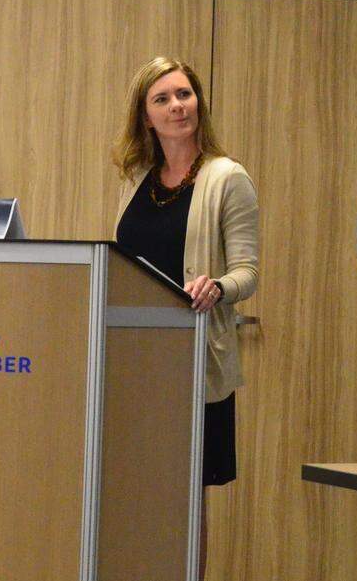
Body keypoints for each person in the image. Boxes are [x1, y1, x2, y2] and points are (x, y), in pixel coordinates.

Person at [112, 56, 260, 578]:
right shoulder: (136, 179)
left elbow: (248, 271)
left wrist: (218, 287)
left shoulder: (227, 178)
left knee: (183, 501)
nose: (178, 106)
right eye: (163, 99)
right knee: (136, 497)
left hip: (193, 368)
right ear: (145, 117)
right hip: (133, 364)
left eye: (185, 94)